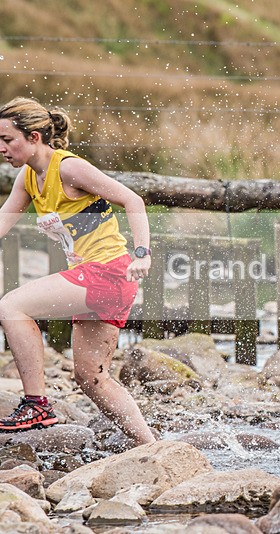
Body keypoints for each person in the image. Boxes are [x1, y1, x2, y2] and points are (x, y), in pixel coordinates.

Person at [0, 96, 155, 445]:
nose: (2, 148)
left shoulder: (69, 168)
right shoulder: (27, 178)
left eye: (8, 140)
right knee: (91, 377)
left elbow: (133, 199)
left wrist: (142, 253)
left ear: (35, 137)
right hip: (96, 280)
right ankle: (153, 447)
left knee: (12, 305)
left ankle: (36, 404)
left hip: (109, 273)